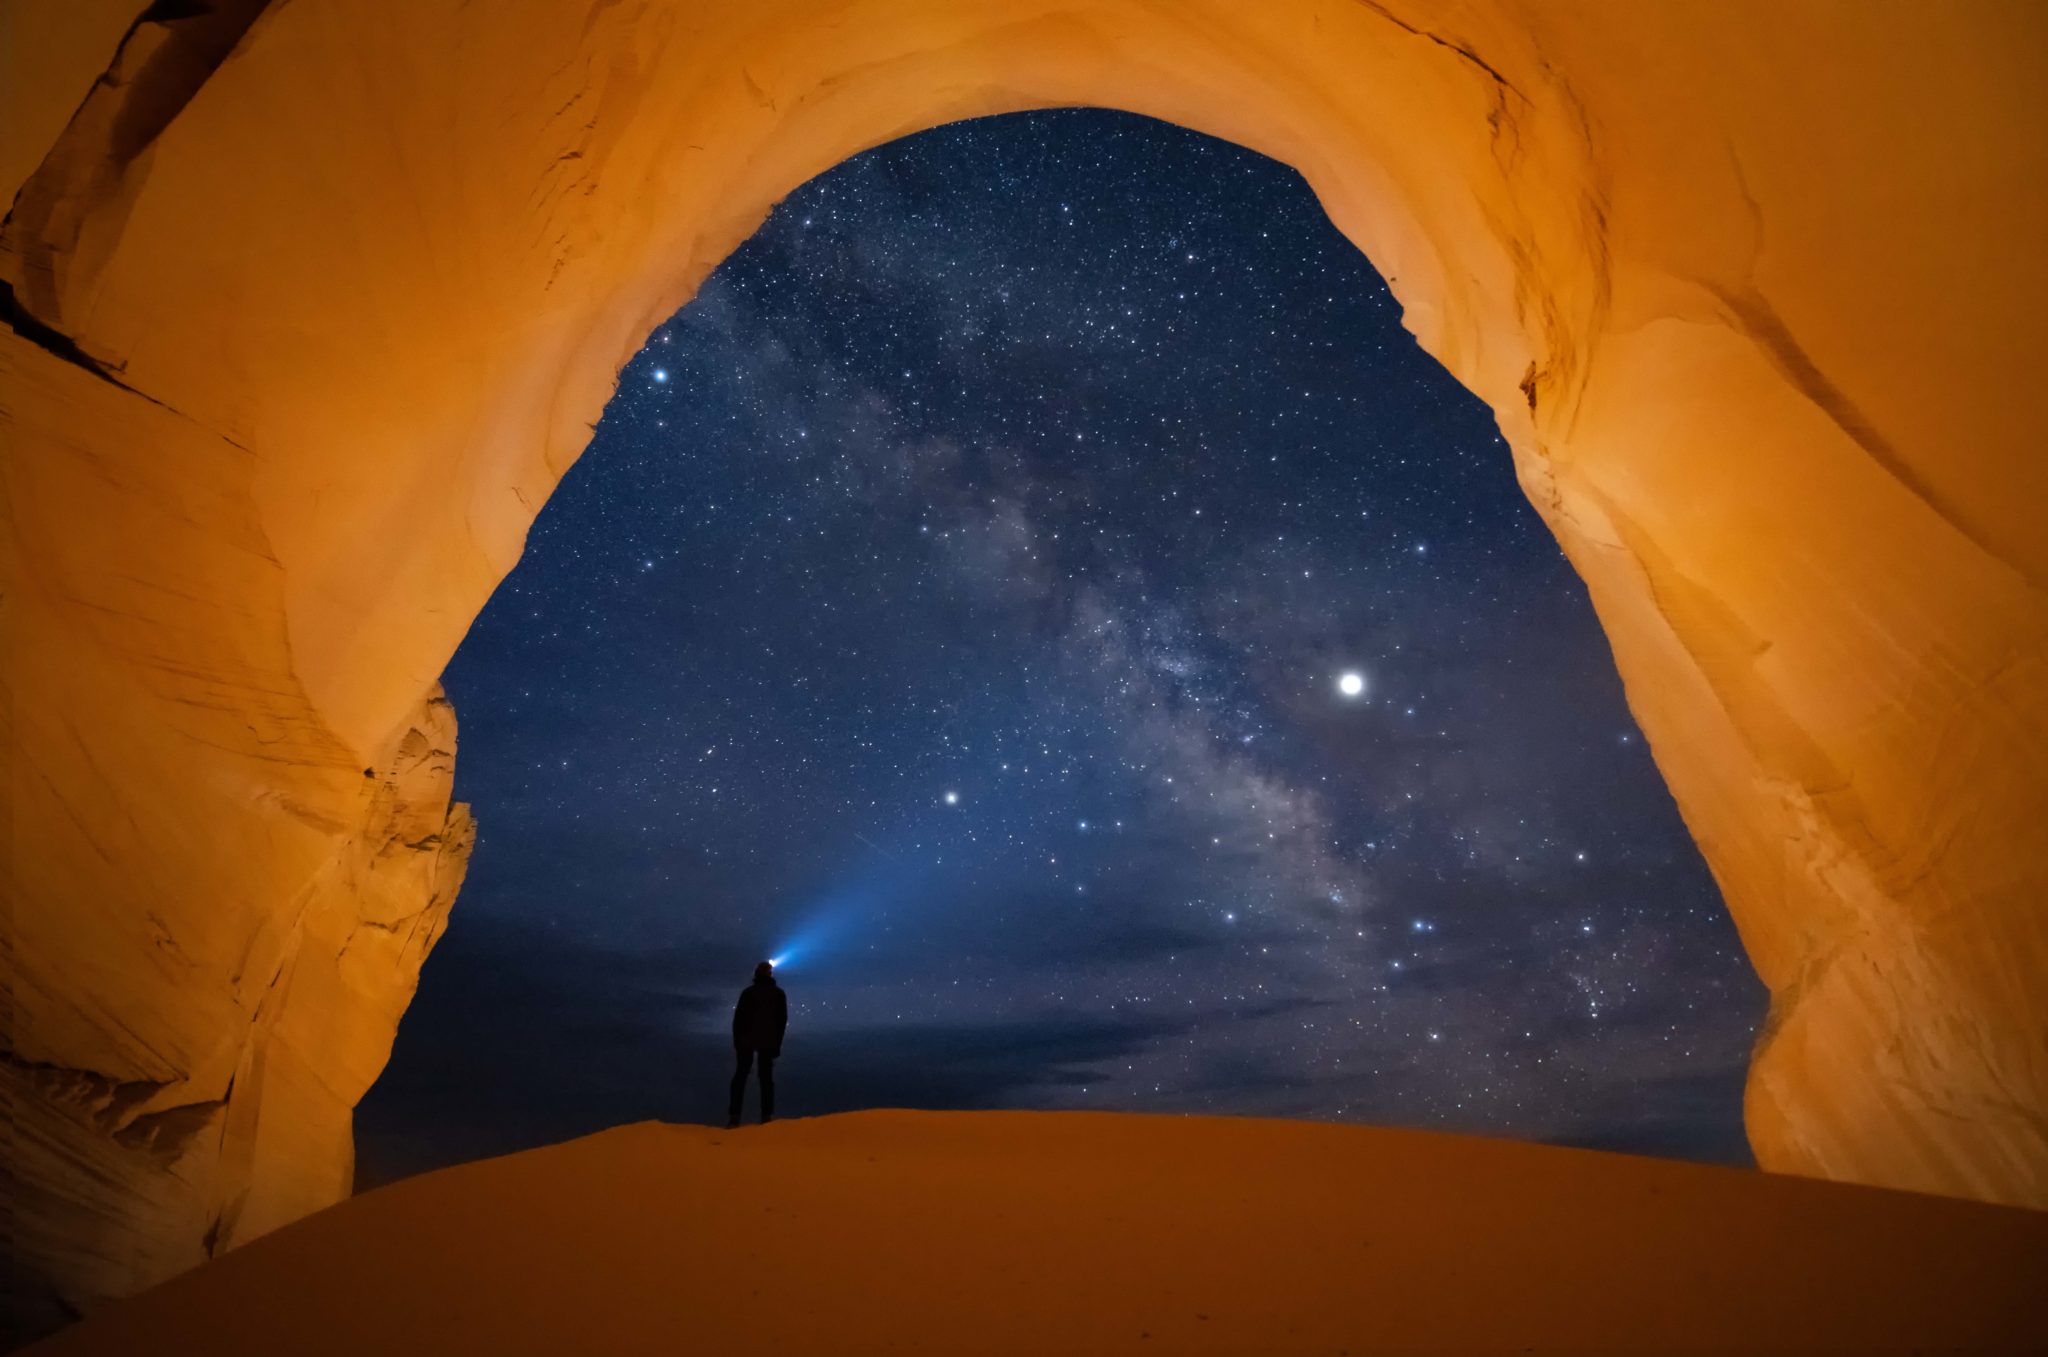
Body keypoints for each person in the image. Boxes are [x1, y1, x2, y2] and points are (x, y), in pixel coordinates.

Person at [727, 960, 787, 1128]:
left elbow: (738, 1020)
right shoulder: (778, 994)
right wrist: (777, 1045)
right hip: (768, 1042)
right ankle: (766, 1116)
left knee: (740, 1077)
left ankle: (734, 1116)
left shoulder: (748, 993)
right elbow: (781, 1022)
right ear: (770, 974)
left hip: (746, 1040)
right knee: (766, 1079)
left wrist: (737, 1042)